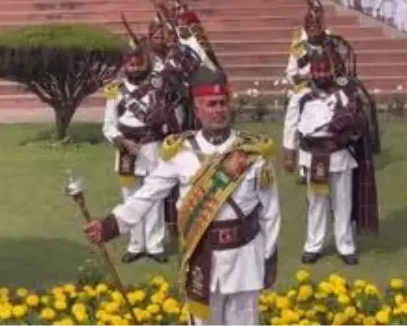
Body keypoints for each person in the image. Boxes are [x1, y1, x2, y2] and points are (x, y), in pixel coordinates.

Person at [84, 66, 280, 325]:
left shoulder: (251, 153)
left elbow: (270, 211)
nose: (218, 110)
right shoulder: (182, 152)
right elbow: (147, 195)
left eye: (222, 103)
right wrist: (110, 226)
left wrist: (268, 257)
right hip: (201, 257)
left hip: (245, 258)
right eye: (211, 104)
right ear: (197, 109)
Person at [282, 50, 378, 266]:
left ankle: (345, 245)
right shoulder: (301, 95)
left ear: (332, 70)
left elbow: (359, 118)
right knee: (317, 201)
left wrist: (351, 125)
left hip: (339, 155)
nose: (322, 74)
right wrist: (289, 153)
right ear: (312, 72)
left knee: (342, 201)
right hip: (313, 155)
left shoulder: (344, 93)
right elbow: (290, 124)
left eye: (326, 70)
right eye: (318, 70)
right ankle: (313, 245)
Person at [101, 34, 175, 264]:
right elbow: (108, 126)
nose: (134, 67)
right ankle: (135, 244)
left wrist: (153, 49)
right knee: (130, 198)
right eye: (130, 63)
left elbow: (167, 70)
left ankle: (154, 245)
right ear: (124, 64)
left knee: (153, 195)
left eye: (139, 62)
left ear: (146, 62)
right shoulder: (115, 90)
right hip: (126, 149)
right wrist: (123, 141)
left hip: (152, 147)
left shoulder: (156, 83)